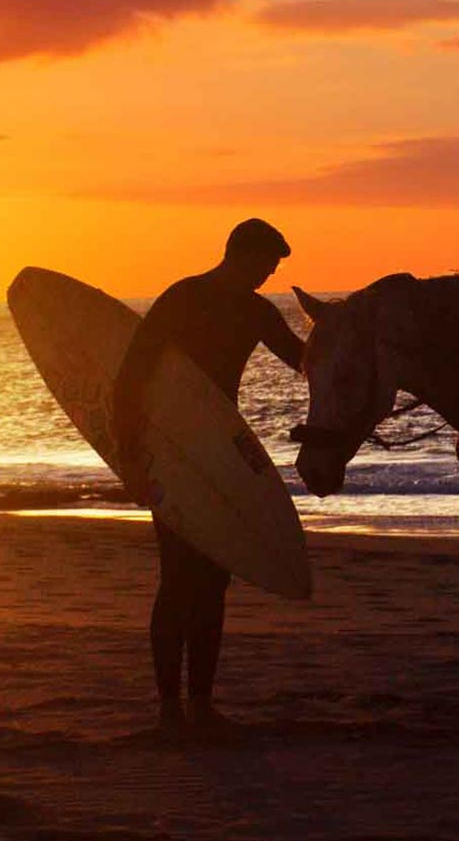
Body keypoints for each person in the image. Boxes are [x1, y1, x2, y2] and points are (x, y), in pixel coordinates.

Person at [111, 218, 304, 730]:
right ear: (240, 254)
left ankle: (200, 702)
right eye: (266, 264)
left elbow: (302, 361)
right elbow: (130, 378)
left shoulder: (257, 311)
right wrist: (131, 458)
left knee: (214, 579)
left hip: (219, 453)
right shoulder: (183, 298)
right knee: (177, 579)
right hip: (172, 453)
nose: (268, 275)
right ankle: (169, 706)